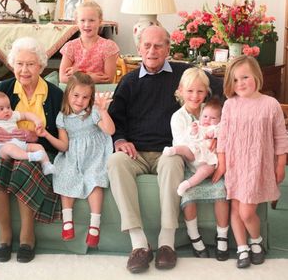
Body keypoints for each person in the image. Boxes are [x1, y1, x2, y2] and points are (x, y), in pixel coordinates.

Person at [107, 25, 223, 274]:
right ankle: (138, 244)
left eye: (159, 45)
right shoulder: (128, 82)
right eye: (147, 45)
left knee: (173, 162)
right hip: (134, 153)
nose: (152, 50)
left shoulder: (184, 74)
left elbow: (220, 89)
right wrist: (119, 140)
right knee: (115, 162)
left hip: (167, 152)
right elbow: (115, 120)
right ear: (138, 48)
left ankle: (166, 243)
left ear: (168, 49)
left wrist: (219, 122)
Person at [0, 37, 63, 263]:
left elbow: (61, 135)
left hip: (38, 149)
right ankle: (4, 235)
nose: (24, 69)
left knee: (25, 166)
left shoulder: (55, 94)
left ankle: (27, 236)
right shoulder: (3, 89)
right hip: (1, 149)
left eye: (30, 64)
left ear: (41, 65)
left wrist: (37, 135)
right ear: (13, 64)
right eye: (19, 63)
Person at [212, 55, 288, 268]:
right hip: (236, 164)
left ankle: (256, 240)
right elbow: (224, 137)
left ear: (256, 75)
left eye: (245, 77)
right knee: (236, 209)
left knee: (246, 212)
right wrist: (223, 162)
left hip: (257, 166)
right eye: (235, 80)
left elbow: (281, 137)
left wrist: (280, 164)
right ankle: (243, 247)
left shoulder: (270, 104)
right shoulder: (230, 105)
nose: (240, 83)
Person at [37, 71, 115, 247]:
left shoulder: (93, 112)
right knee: (65, 175)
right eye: (76, 95)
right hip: (72, 154)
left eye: (85, 97)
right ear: (68, 94)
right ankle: (67, 222)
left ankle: (95, 226)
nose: (80, 101)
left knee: (95, 180)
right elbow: (64, 146)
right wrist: (46, 135)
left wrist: (103, 110)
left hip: (95, 155)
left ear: (91, 99)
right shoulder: (62, 117)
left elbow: (110, 131)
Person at [162, 68, 229, 261]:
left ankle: (222, 236)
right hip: (191, 166)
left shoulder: (210, 111)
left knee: (222, 192)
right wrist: (196, 134)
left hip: (212, 164)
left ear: (206, 92)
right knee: (187, 197)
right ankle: (195, 237)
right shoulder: (179, 117)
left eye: (200, 91)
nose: (195, 96)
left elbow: (223, 129)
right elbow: (181, 144)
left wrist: (216, 139)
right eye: (190, 91)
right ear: (180, 91)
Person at [0, 91, 54, 175]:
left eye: (8, 107)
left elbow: (25, 115)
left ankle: (46, 165)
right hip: (1, 148)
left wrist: (36, 120)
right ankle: (30, 156)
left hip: (19, 143)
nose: (6, 111)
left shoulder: (12, 115)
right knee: (10, 148)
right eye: (1, 109)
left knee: (38, 147)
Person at [59, 0, 119, 84]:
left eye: (91, 20)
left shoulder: (108, 47)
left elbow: (108, 79)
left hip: (100, 94)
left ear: (100, 21)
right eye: (82, 20)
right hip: (76, 95)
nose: (87, 24)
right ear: (77, 21)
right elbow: (62, 78)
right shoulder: (70, 47)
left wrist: (78, 74)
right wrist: (89, 77)